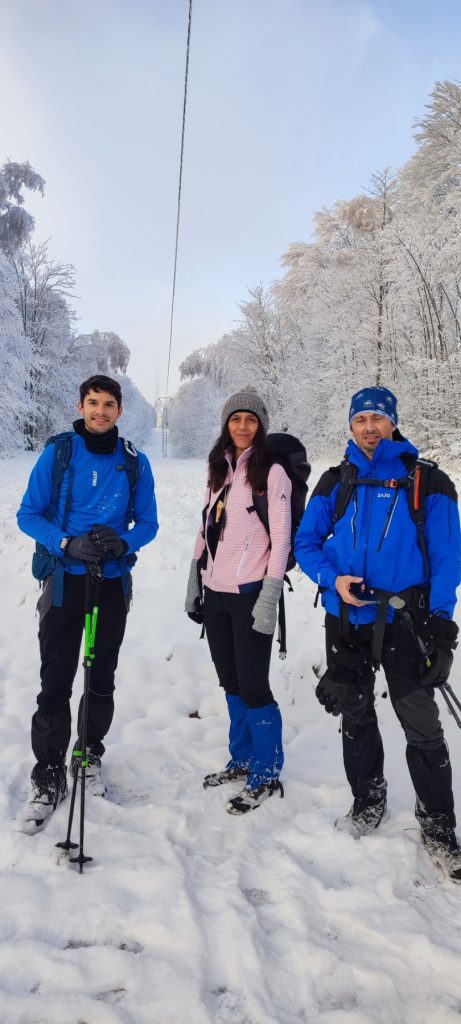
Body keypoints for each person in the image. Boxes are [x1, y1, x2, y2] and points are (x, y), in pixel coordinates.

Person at [294, 385, 461, 880]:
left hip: (407, 621)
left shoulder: (428, 481)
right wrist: (332, 578)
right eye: (361, 419)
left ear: (393, 423)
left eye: (378, 419)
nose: (369, 427)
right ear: (350, 426)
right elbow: (306, 543)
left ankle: (438, 823)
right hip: (347, 616)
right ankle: (368, 799)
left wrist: (443, 621)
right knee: (355, 709)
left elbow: (448, 559)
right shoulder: (333, 480)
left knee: (421, 721)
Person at [17, 374, 159, 833]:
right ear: (81, 406)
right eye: (93, 402)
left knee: (101, 677)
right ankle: (49, 773)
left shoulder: (134, 461)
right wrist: (66, 542)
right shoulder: (58, 453)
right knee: (55, 680)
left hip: (111, 585)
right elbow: (28, 514)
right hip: (64, 584)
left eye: (109, 404)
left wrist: (123, 542)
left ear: (120, 411)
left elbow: (149, 522)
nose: (101, 411)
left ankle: (88, 754)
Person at [185, 386, 291, 814]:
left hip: (250, 595)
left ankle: (266, 771)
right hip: (216, 594)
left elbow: (281, 540)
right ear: (226, 425)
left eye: (250, 419)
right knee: (230, 682)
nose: (242, 426)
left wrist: (270, 593)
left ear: (260, 425)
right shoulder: (219, 469)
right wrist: (195, 576)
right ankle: (242, 757)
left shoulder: (272, 472)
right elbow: (205, 527)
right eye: (235, 419)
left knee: (254, 686)